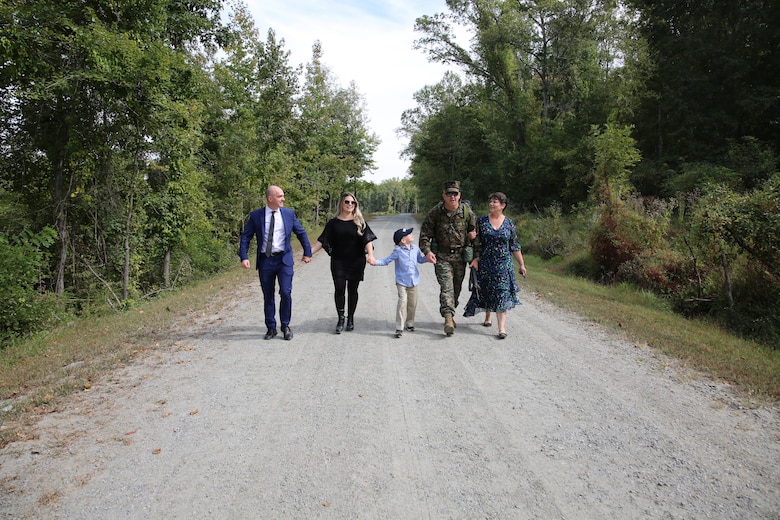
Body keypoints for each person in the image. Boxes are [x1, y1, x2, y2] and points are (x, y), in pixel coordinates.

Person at [239, 185, 312, 341]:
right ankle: (271, 327)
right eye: (280, 196)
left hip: (284, 260)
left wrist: (307, 252)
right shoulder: (256, 216)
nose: (283, 199)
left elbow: (301, 232)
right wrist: (244, 257)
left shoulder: (288, 214)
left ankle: (285, 325)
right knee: (268, 295)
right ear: (270, 198)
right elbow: (246, 237)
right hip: (266, 261)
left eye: (283, 196)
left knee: (286, 292)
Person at [310, 192, 377, 333]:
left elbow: (368, 240)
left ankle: (351, 318)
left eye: (353, 203)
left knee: (353, 290)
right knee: (339, 289)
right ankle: (341, 318)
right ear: (342, 203)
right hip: (338, 261)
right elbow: (322, 241)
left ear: (355, 205)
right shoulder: (333, 223)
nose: (350, 205)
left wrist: (371, 255)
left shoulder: (359, 222)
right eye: (347, 202)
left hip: (356, 261)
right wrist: (308, 253)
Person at [463, 192, 527, 339]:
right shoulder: (481, 221)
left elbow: (515, 246)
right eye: (490, 201)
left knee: (501, 293)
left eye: (495, 202)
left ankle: (502, 328)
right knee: (487, 291)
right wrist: (473, 251)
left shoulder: (509, 223)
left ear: (503, 205)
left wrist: (522, 264)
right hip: (485, 263)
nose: (492, 204)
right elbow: (475, 243)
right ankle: (488, 316)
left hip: (504, 264)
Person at [419, 180, 479, 336]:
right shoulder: (436, 213)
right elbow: (425, 235)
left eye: (455, 193)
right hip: (442, 256)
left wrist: (476, 257)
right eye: (449, 194)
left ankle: (451, 314)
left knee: (456, 289)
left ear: (459, 195)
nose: (452, 196)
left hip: (460, 257)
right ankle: (447, 318)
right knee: (447, 287)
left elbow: (476, 237)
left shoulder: (467, 213)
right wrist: (427, 251)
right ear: (443, 196)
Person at [369, 227, 431, 338]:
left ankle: (410, 323)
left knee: (412, 304)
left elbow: (420, 260)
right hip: (401, 282)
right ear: (403, 240)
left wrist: (427, 258)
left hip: (414, 282)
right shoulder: (398, 251)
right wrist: (375, 262)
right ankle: (399, 327)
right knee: (402, 302)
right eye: (408, 234)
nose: (411, 234)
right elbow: (386, 261)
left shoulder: (415, 249)